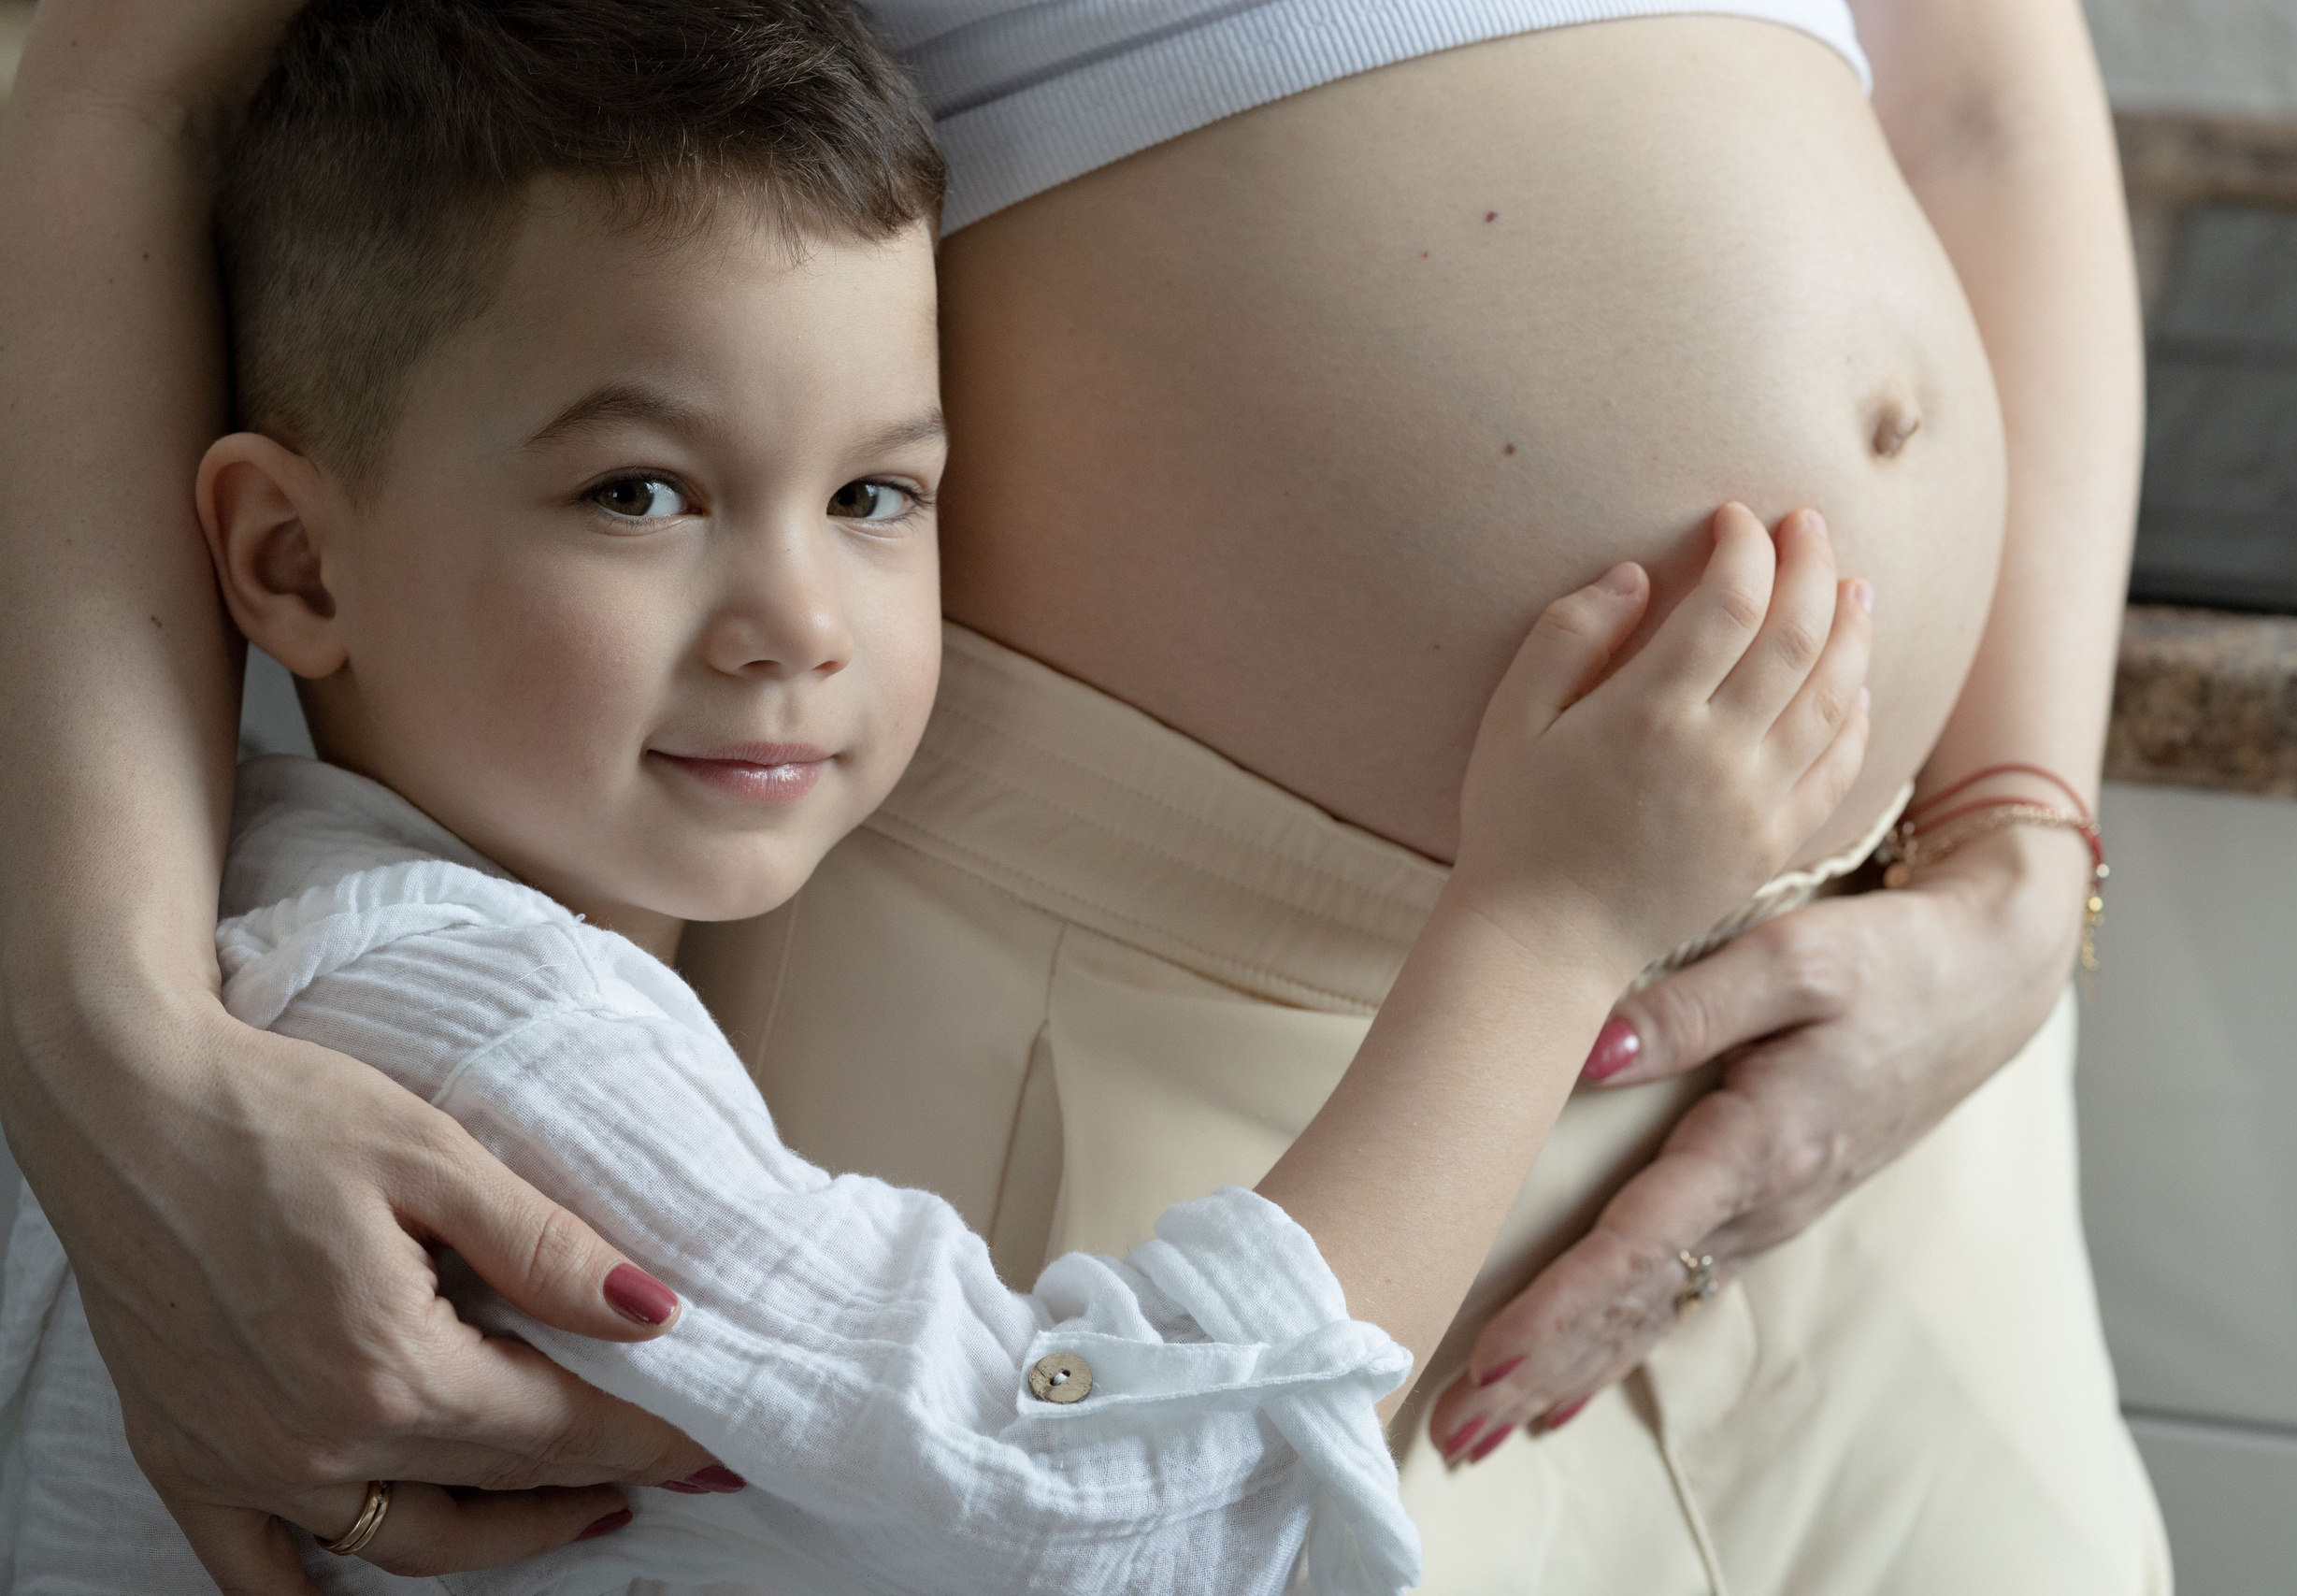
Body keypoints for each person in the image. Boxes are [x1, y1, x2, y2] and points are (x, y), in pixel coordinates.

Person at [0, 0, 2158, 1592]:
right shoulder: (497, 1032)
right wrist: (104, 1040)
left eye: (873, 497)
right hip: (1163, 1040)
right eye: (644, 494)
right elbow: (124, 89)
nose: (788, 601)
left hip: (1859, 1018)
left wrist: (2007, 850)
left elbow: (1980, 95)